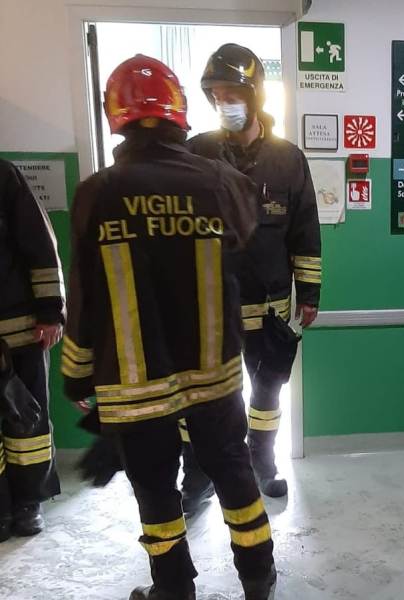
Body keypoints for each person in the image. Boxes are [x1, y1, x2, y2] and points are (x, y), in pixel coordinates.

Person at [62, 54, 277, 600]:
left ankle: (174, 588)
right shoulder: (222, 182)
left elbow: (83, 298)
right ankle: (259, 577)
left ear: (116, 116)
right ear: (179, 112)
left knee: (156, 489)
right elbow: (247, 233)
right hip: (214, 376)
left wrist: (77, 377)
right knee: (234, 474)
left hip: (133, 383)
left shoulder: (95, 193)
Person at [181, 43, 320, 509]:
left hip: (270, 306)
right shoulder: (195, 152)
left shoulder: (288, 159)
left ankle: (263, 462)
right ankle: (197, 474)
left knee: (267, 391)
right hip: (210, 309)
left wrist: (310, 293)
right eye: (218, 95)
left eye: (234, 93)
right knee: (207, 396)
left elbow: (305, 230)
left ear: (255, 94)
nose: (226, 103)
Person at [0, 158, 63, 539]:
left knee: (29, 422)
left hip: (20, 329)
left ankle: (29, 502)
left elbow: (40, 246)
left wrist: (51, 312)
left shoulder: (4, 176)